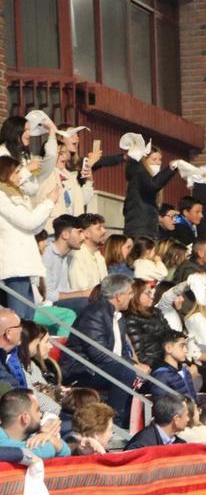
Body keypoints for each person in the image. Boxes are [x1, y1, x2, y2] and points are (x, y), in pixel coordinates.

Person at [61, 275, 148, 427]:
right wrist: (132, 366)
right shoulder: (95, 313)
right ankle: (113, 424)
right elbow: (98, 352)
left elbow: (119, 353)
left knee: (152, 375)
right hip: (82, 369)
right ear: (119, 296)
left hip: (105, 366)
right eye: (130, 293)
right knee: (125, 373)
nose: (131, 297)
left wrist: (135, 364)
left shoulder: (117, 316)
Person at [0, 155, 58, 319]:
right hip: (14, 266)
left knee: (28, 317)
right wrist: (48, 203)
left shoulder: (15, 195)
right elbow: (29, 222)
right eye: (16, 172)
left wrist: (47, 205)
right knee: (19, 317)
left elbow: (35, 227)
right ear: (5, 173)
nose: (20, 176)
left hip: (24, 264)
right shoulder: (2, 197)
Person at [122, 146, 176, 240]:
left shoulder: (146, 180)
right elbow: (153, 186)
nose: (158, 163)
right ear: (144, 161)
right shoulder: (140, 175)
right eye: (154, 159)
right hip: (140, 232)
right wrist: (170, 169)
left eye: (160, 160)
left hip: (148, 231)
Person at [0, 388, 67, 459]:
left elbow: (66, 452)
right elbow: (40, 452)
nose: (40, 415)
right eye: (37, 410)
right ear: (25, 418)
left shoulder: (30, 436)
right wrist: (51, 442)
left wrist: (49, 438)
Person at [124, 393, 190, 450]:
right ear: (176, 419)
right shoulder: (141, 446)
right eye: (187, 415)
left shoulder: (181, 445)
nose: (188, 419)